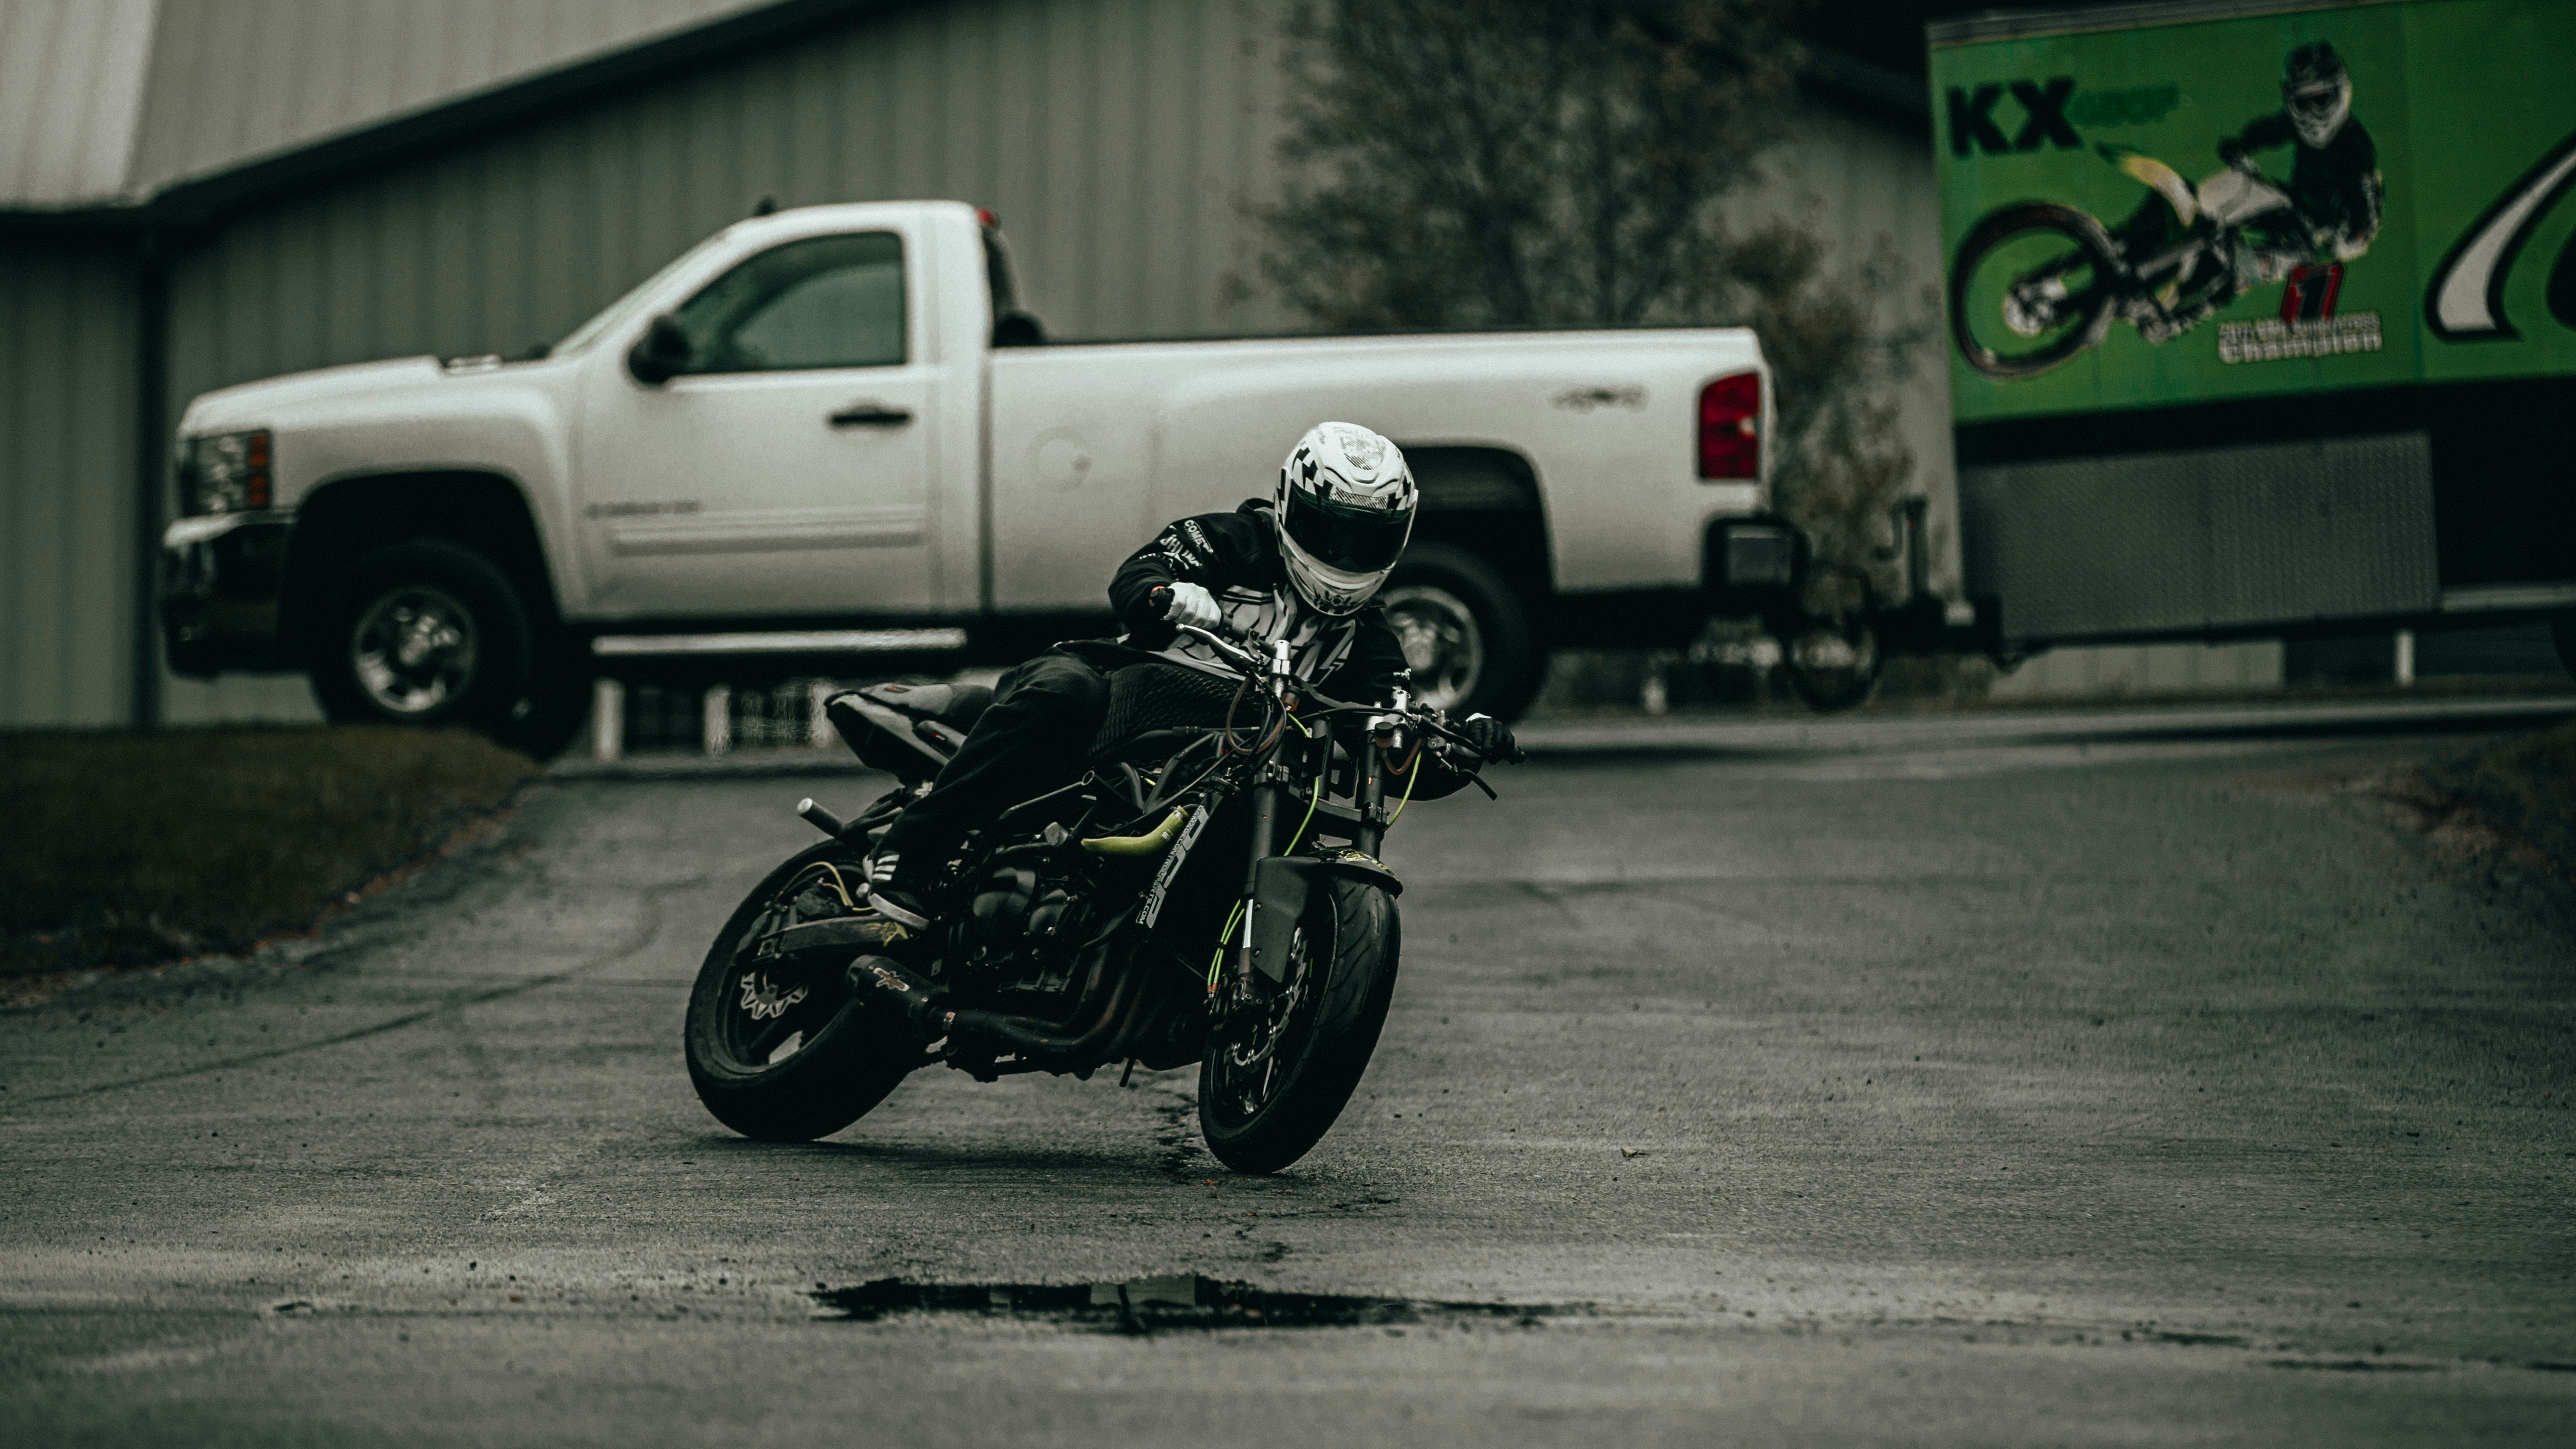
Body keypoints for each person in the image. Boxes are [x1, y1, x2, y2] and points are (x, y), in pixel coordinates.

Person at [863, 421, 1516, 931]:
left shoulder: (1365, 637)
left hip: (1218, 769)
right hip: (1122, 702)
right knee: (1065, 690)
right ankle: (911, 846)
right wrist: (1166, 595)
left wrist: (1456, 747)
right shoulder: (1232, 540)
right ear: (1289, 502)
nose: (1343, 555)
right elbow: (1138, 572)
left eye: (1364, 541)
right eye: (1328, 532)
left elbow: (1394, 742)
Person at [2128, 42, 2383, 343]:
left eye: (2320, 100)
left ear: (2340, 92)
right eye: (2304, 102)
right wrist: (2240, 146)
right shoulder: (2293, 123)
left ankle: (2179, 320)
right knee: (2214, 200)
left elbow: (2365, 224)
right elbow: (2268, 131)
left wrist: (2342, 235)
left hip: (2312, 236)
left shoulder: (2357, 148)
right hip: (2290, 204)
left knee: (2244, 267)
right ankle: (2136, 244)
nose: (2312, 112)